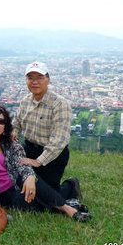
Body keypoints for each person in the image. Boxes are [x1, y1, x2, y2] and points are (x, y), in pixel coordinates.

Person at [0, 104, 92, 222]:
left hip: (16, 184)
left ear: (5, 125)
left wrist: (30, 177)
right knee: (27, 202)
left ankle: (69, 210)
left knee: (33, 185)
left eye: (1, 121)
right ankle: (70, 190)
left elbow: (22, 163)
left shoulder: (12, 143)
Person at [12, 61, 82, 201]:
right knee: (27, 192)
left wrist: (38, 161)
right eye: (30, 78)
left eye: (39, 77)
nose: (35, 82)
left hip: (52, 156)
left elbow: (59, 140)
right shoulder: (25, 101)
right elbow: (16, 122)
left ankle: (70, 186)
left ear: (48, 79)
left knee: (45, 198)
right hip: (29, 149)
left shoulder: (60, 104)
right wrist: (13, 133)